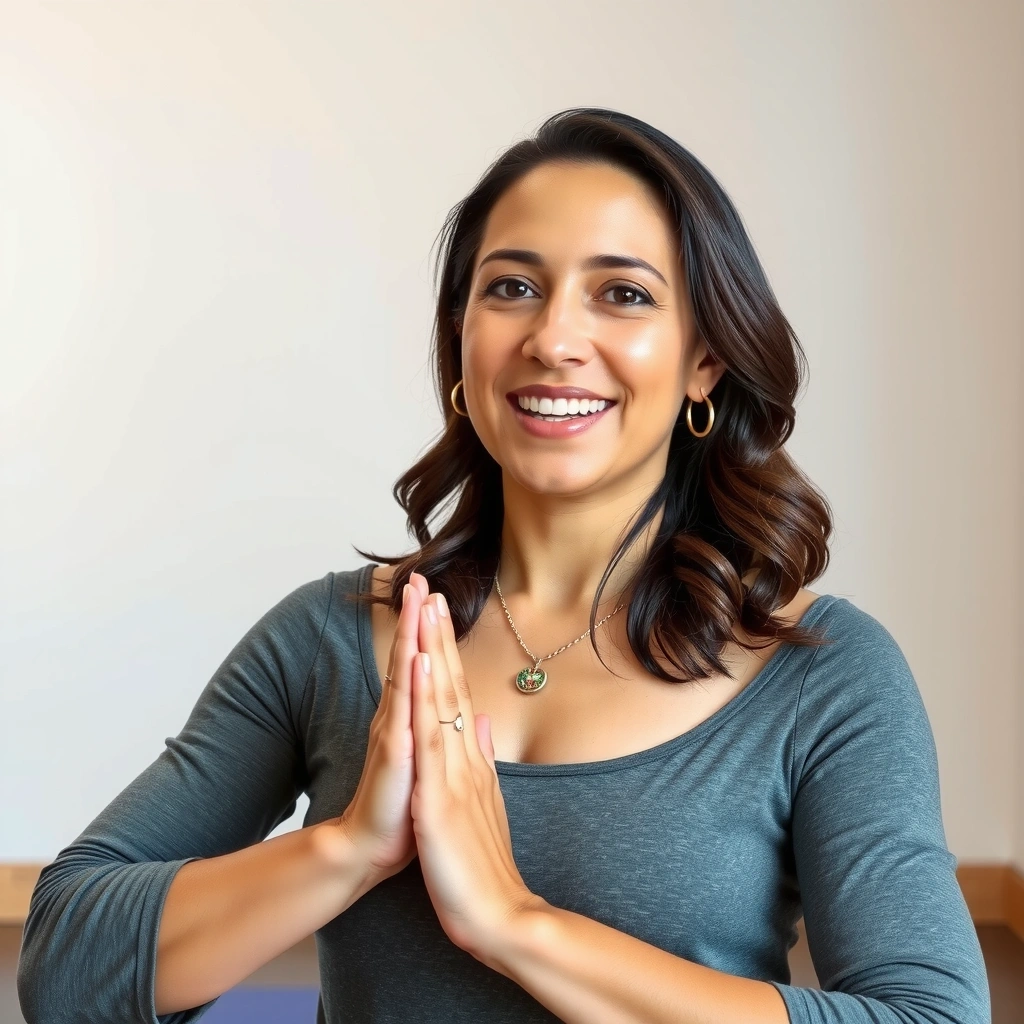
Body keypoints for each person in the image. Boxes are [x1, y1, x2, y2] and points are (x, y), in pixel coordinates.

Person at [17, 107, 990, 1024]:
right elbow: (64, 964)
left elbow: (929, 1013)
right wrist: (348, 848)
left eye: (623, 294)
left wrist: (516, 927)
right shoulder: (325, 638)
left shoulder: (828, 674)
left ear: (703, 362)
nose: (554, 339)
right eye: (512, 287)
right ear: (460, 341)